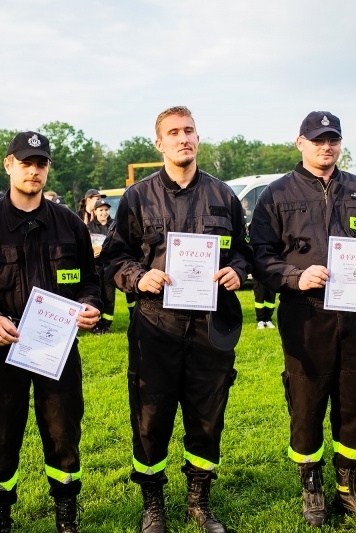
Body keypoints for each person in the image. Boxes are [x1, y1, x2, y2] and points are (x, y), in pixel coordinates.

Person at [103, 106, 251, 533]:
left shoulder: (224, 196)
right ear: (159, 143)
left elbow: (244, 250)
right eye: (173, 132)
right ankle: (153, 503)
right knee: (151, 418)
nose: (183, 138)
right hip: (156, 325)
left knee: (207, 416)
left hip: (210, 327)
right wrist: (139, 276)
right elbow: (115, 257)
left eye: (189, 131)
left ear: (198, 138)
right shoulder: (137, 197)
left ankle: (199, 500)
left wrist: (237, 269)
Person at [250, 111, 356, 527]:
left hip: (355, 317)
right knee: (307, 402)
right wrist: (296, 277)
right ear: (301, 143)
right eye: (317, 140)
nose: (326, 146)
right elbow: (261, 257)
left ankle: (351, 488)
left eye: (333, 139)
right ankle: (311, 488)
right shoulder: (276, 195)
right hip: (305, 315)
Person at [0, 131, 101, 533]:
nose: (34, 170)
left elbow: (91, 280)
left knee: (63, 434)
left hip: (58, 351)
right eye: (26, 162)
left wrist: (91, 305)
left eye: (41, 163)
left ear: (48, 168)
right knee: (0, 437)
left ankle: (66, 514)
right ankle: (0, 516)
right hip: (5, 350)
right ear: (8, 164)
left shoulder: (69, 224)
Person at [87, 198, 114, 334]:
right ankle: (96, 324)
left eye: (106, 210)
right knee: (97, 294)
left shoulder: (114, 225)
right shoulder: (89, 227)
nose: (104, 213)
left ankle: (107, 324)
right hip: (95, 267)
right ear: (95, 211)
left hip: (109, 266)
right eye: (101, 210)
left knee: (109, 296)